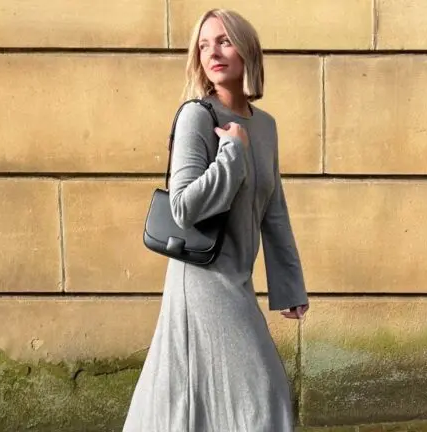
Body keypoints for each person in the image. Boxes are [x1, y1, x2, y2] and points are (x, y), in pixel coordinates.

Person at [123, 8, 309, 432]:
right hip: (203, 280)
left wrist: (290, 285)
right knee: (265, 396)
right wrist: (232, 153)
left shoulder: (265, 126)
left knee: (200, 395)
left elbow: (273, 209)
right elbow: (184, 207)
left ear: (247, 51)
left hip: (237, 276)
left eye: (224, 41)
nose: (214, 52)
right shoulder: (196, 117)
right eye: (204, 45)